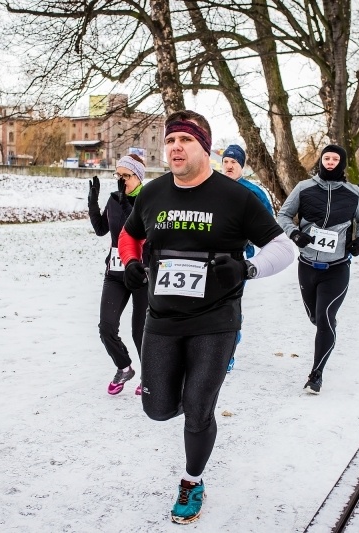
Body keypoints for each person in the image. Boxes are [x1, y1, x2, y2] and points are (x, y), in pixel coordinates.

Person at [117, 110, 294, 524]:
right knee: (157, 409)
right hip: (161, 319)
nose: (176, 147)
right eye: (171, 140)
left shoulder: (236, 197)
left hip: (216, 320)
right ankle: (187, 392)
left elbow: (283, 248)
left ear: (205, 148)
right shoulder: (153, 193)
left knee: (198, 409)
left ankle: (192, 480)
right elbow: (130, 234)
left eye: (186, 140)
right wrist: (128, 261)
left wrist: (248, 268)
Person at [277, 145, 359, 394]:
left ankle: (316, 374)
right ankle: (323, 321)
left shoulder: (353, 192)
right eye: (326, 158)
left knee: (325, 319)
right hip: (308, 266)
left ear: (342, 163)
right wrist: (295, 234)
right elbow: (283, 215)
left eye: (335, 158)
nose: (330, 162)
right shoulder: (303, 188)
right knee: (315, 316)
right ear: (321, 161)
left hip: (337, 267)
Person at [88, 155, 150, 395]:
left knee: (140, 331)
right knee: (106, 327)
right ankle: (124, 367)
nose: (121, 180)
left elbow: (142, 231)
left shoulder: (149, 200)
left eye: (126, 175)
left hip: (141, 273)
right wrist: (93, 202)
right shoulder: (114, 199)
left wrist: (127, 204)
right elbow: (101, 229)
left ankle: (150, 375)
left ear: (138, 177)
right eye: (118, 175)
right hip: (114, 272)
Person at [220, 144, 275, 373]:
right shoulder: (212, 186)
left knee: (229, 306)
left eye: (234, 162)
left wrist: (250, 241)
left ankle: (228, 351)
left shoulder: (253, 192)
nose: (230, 165)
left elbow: (268, 226)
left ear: (241, 166)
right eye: (226, 162)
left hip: (238, 259)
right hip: (210, 255)